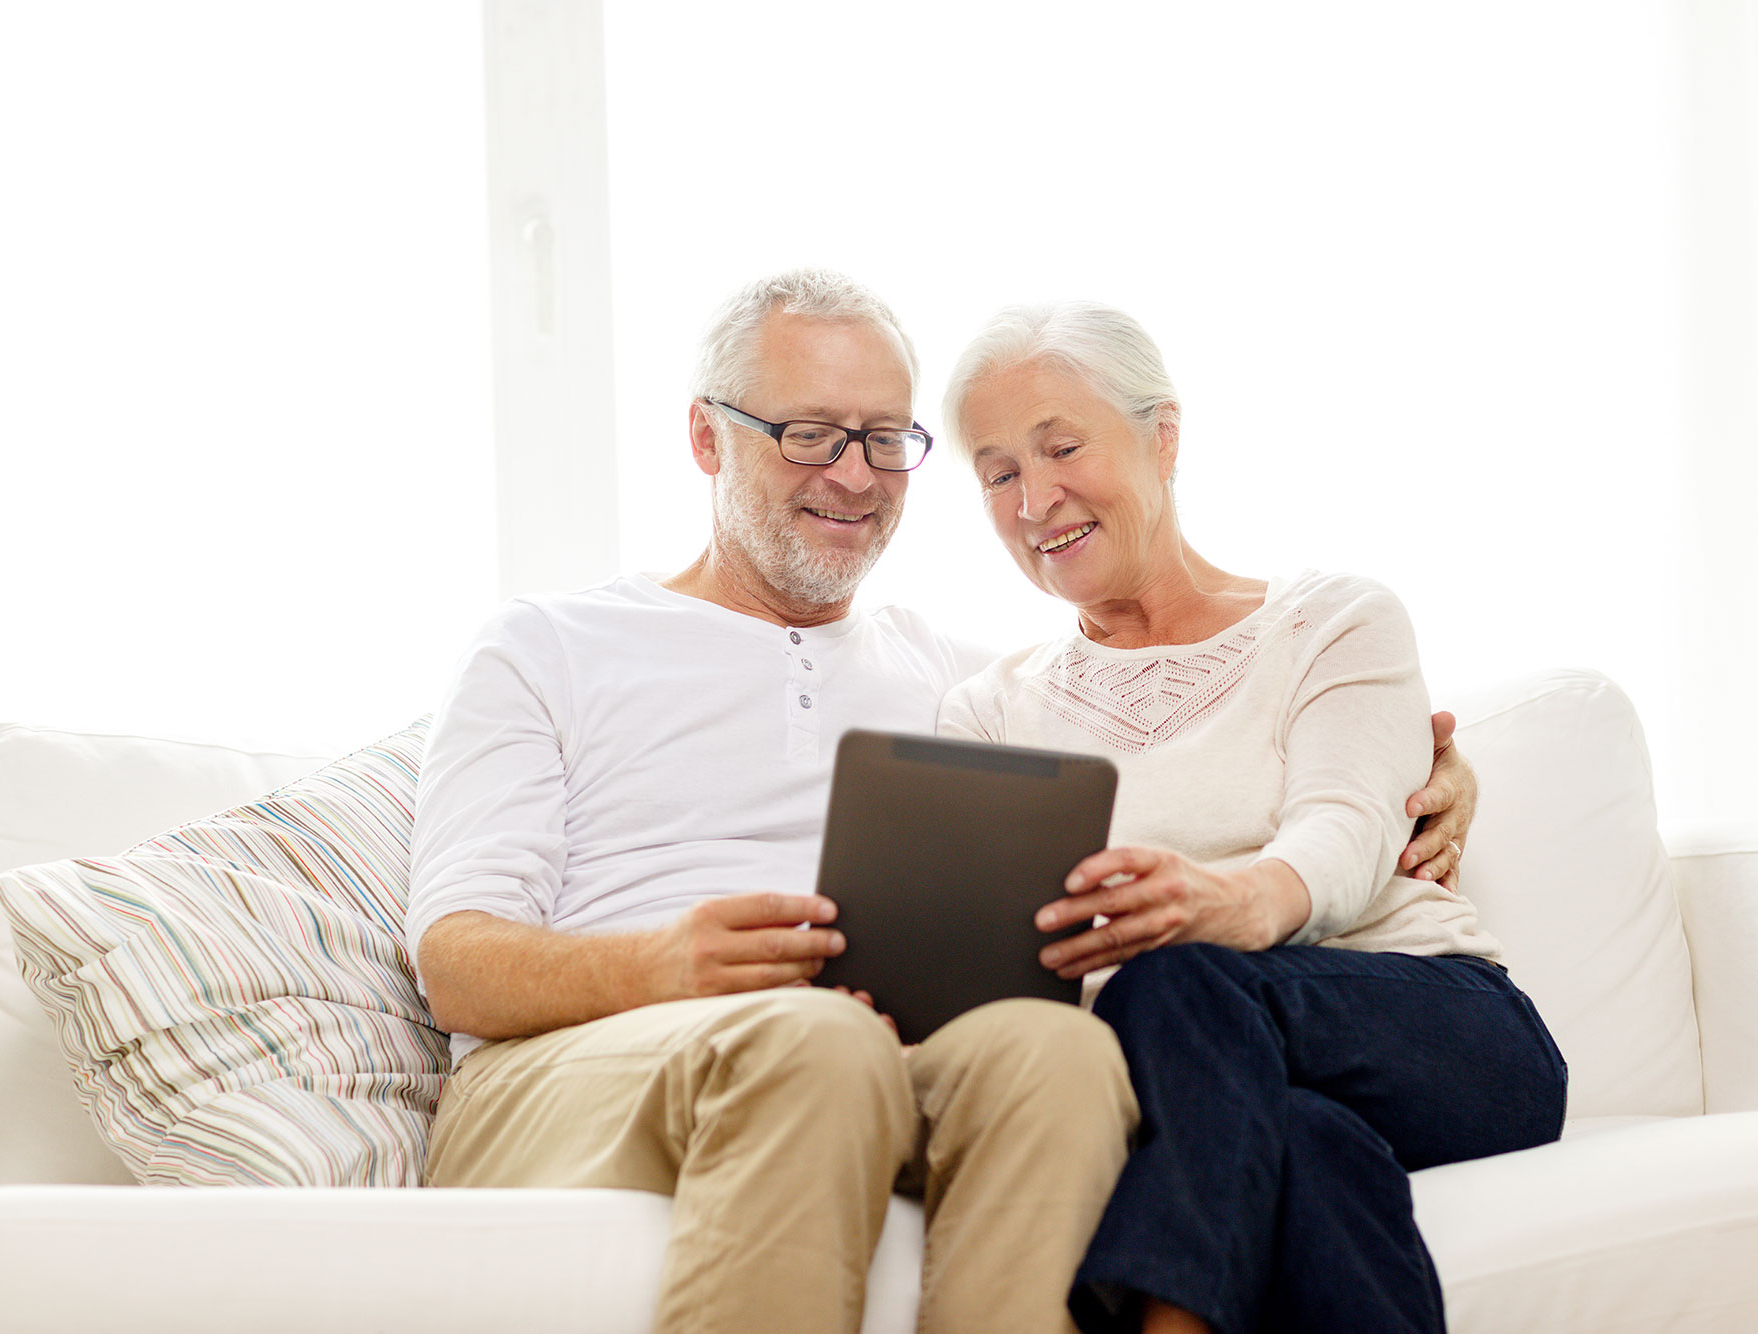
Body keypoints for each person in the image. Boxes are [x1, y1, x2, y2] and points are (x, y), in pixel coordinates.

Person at [406, 269, 1480, 1334]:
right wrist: (660, 963)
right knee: (809, 1045)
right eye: (810, 433)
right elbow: (454, 958)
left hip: (865, 1052)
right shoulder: (545, 644)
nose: (856, 474)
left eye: (885, 437)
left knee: (1053, 1053)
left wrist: (1433, 769)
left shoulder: (952, 678)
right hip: (589, 1062)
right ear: (705, 436)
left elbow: (1156, 712)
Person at [937, 301, 1568, 1334]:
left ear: (1162, 438)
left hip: (1437, 1030)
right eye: (997, 471)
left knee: (1173, 975)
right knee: (1303, 1143)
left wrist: (1217, 901)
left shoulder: (1330, 620)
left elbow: (1346, 832)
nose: (1034, 496)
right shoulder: (986, 710)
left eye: (1060, 446)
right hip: (1203, 1074)